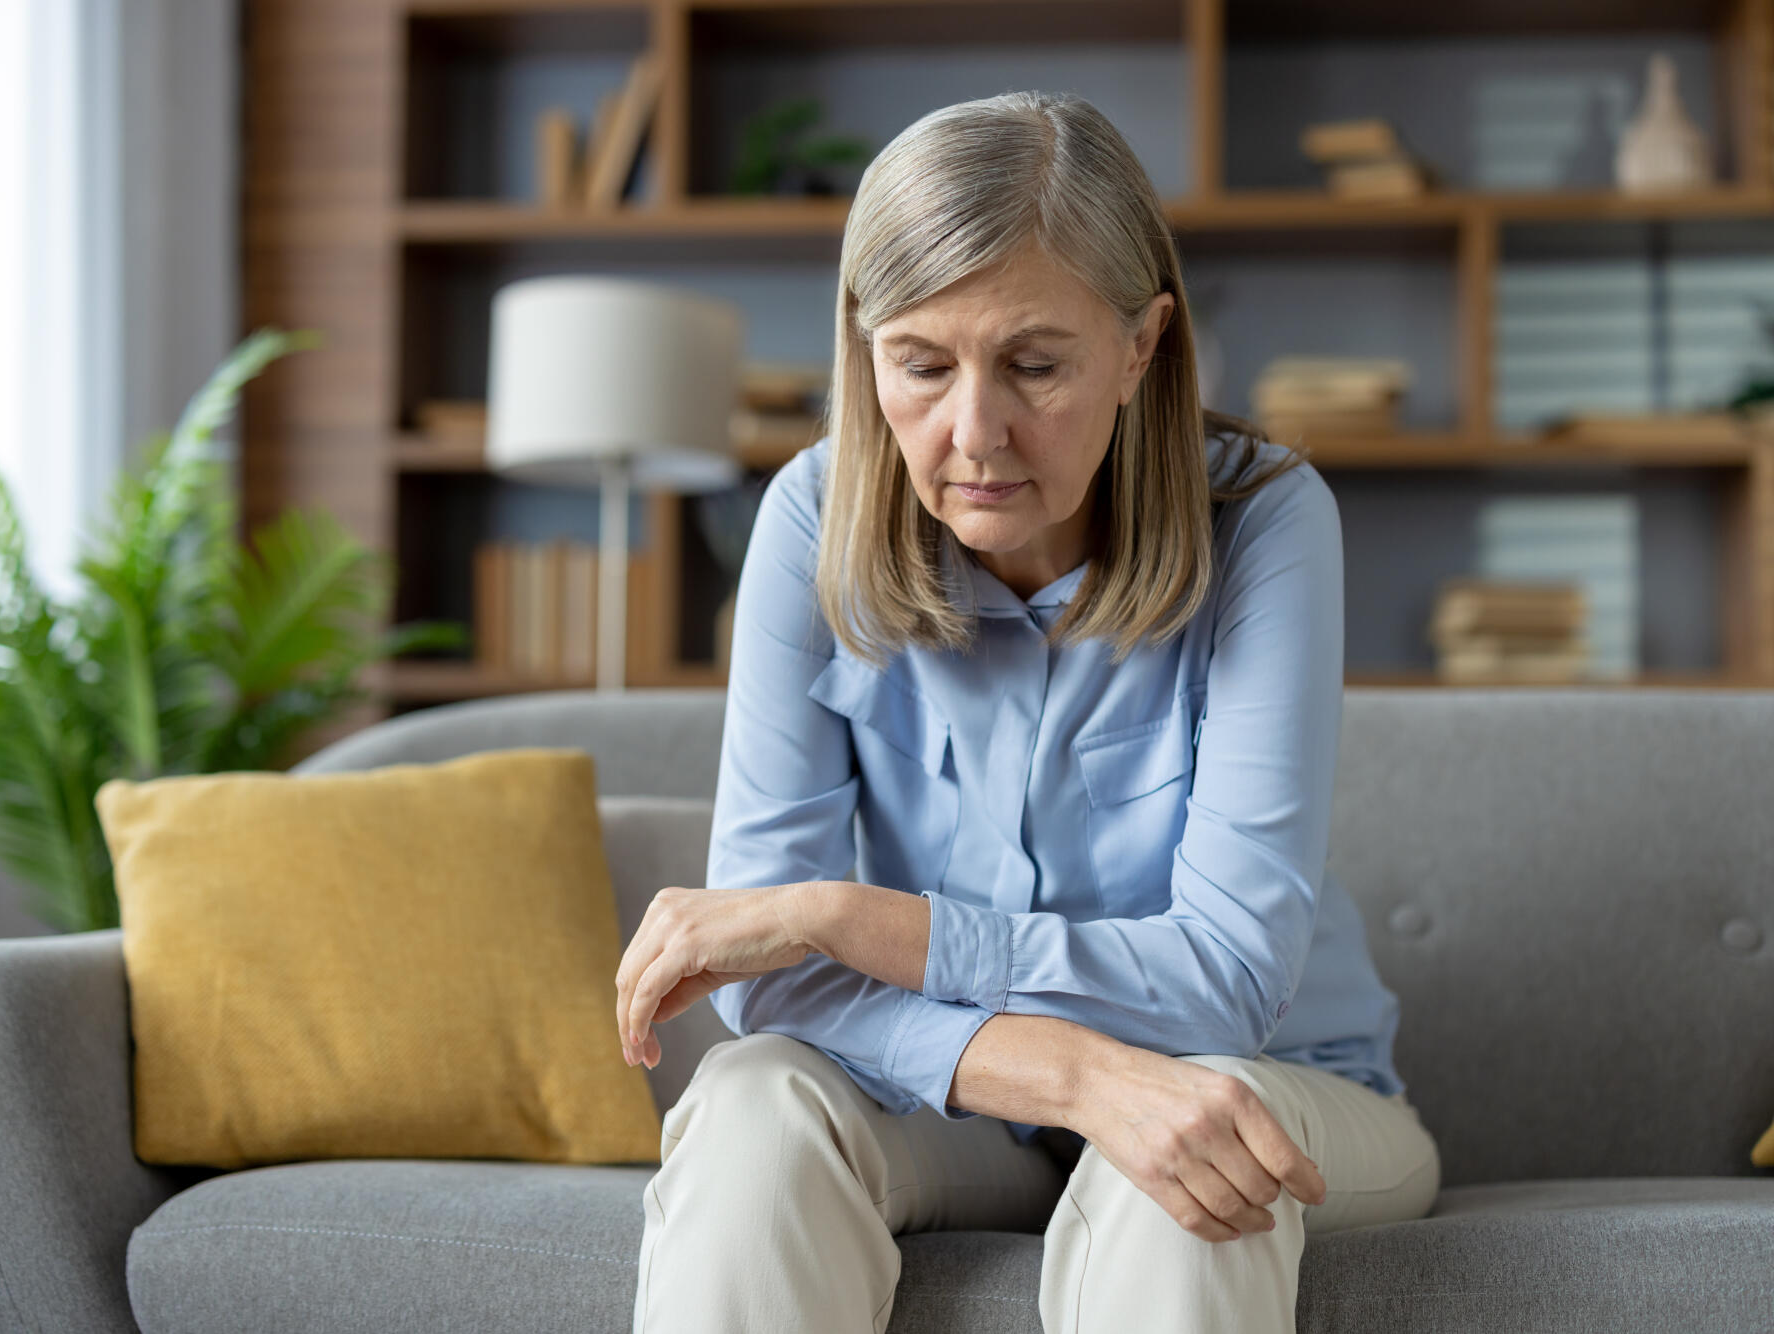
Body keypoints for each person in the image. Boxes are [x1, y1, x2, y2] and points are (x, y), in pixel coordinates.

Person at [613, 90, 1440, 1333]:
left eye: (1035, 364)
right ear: (863, 346)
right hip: (951, 1108)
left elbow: (1218, 985)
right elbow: (762, 983)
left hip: (1275, 1081)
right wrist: (1070, 1071)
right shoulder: (808, 516)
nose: (972, 433)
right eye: (920, 364)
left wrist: (841, 915)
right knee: (752, 1101)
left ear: (1139, 346)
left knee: (1191, 1138)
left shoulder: (1266, 521)